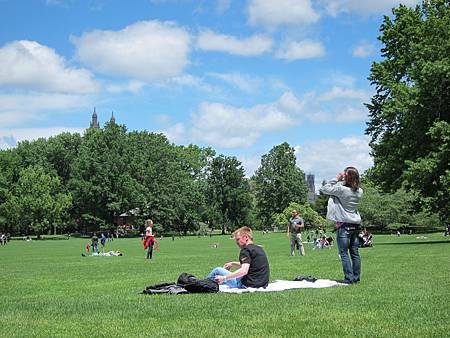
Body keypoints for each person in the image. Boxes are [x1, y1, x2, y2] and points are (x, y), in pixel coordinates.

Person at [320, 166, 363, 284]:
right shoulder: (359, 191)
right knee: (355, 253)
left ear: (346, 176)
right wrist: (345, 179)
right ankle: (356, 278)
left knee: (343, 253)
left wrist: (337, 178)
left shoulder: (341, 190)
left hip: (344, 225)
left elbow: (325, 188)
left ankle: (349, 279)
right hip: (355, 224)